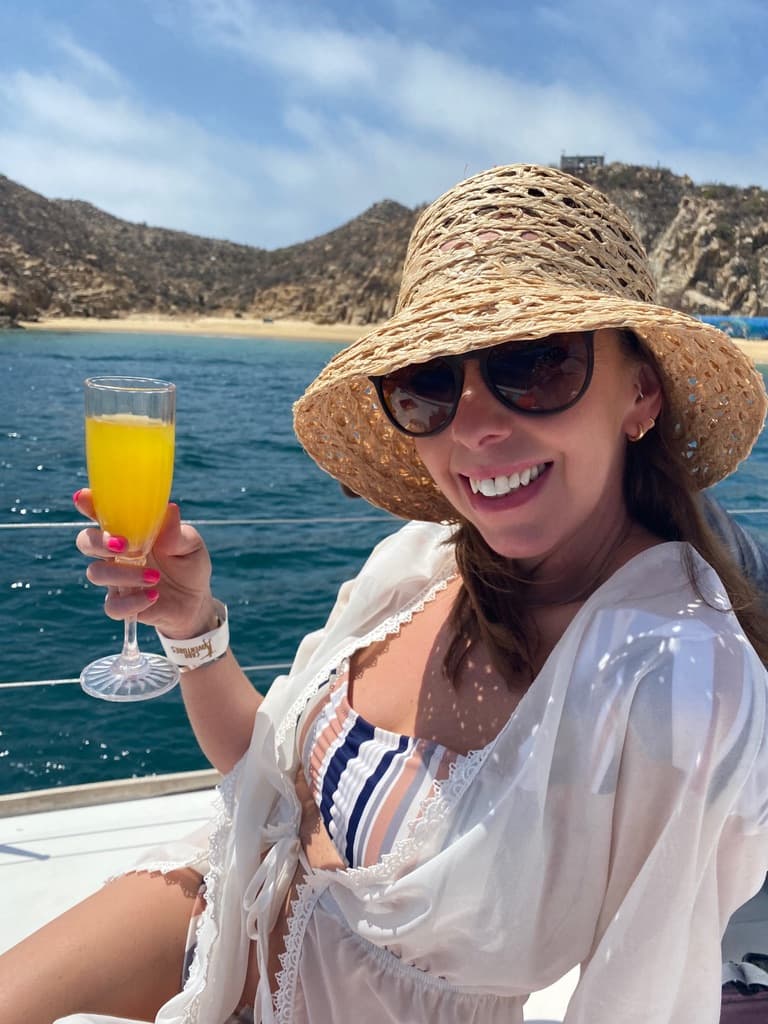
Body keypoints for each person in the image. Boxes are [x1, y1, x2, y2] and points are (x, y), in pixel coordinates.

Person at [2, 162, 768, 1024]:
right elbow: (270, 780)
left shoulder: (676, 678)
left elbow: (647, 1000)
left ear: (641, 392)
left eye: (534, 365)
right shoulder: (422, 562)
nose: (475, 426)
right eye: (431, 384)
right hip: (217, 913)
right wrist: (192, 627)